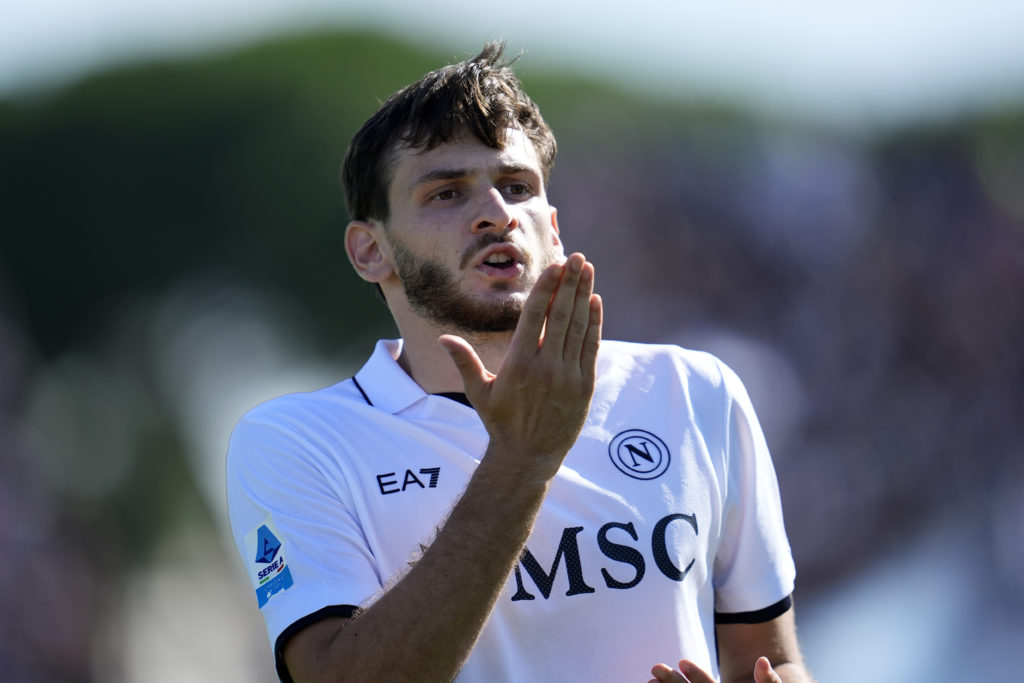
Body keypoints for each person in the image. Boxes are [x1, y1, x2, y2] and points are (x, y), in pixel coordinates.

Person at [226, 42, 814, 683]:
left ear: (553, 229)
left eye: (517, 187)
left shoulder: (695, 390)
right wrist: (521, 459)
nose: (497, 215)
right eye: (447, 193)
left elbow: (774, 657)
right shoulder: (296, 442)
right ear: (371, 251)